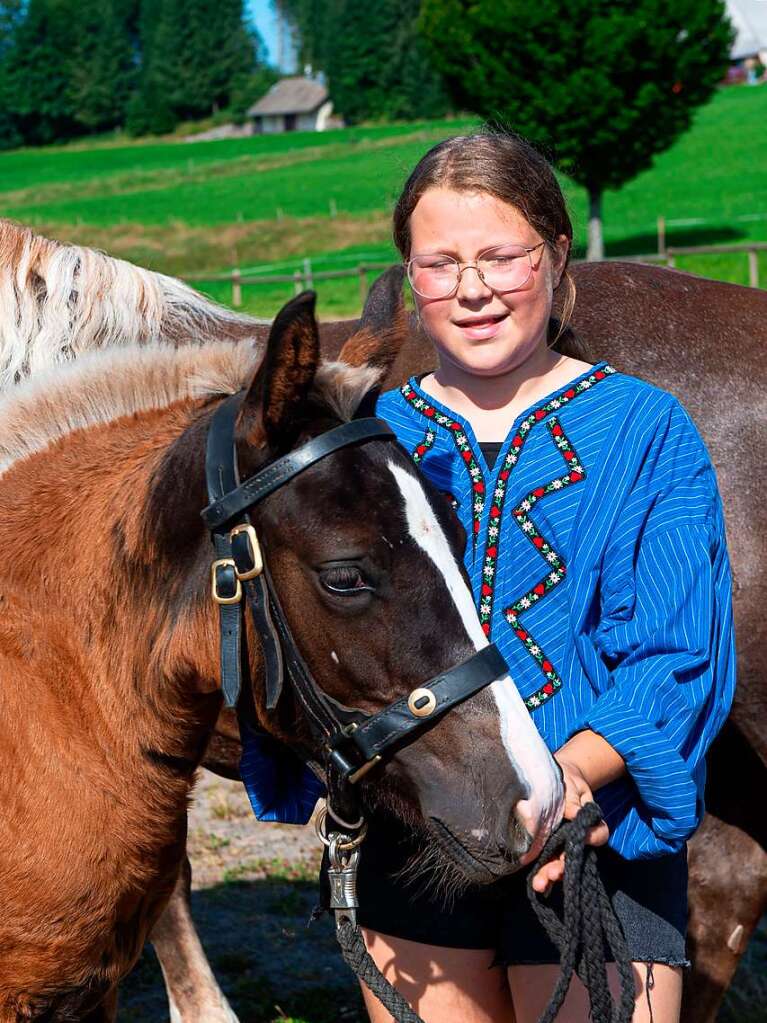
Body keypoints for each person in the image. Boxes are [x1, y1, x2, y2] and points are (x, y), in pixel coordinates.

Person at [242, 130, 736, 1023]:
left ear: (553, 255)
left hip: (599, 836)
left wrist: (572, 781)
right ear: (409, 275)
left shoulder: (645, 428)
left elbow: (677, 655)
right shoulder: (374, 438)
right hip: (413, 834)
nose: (472, 288)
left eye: (500, 256)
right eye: (440, 263)